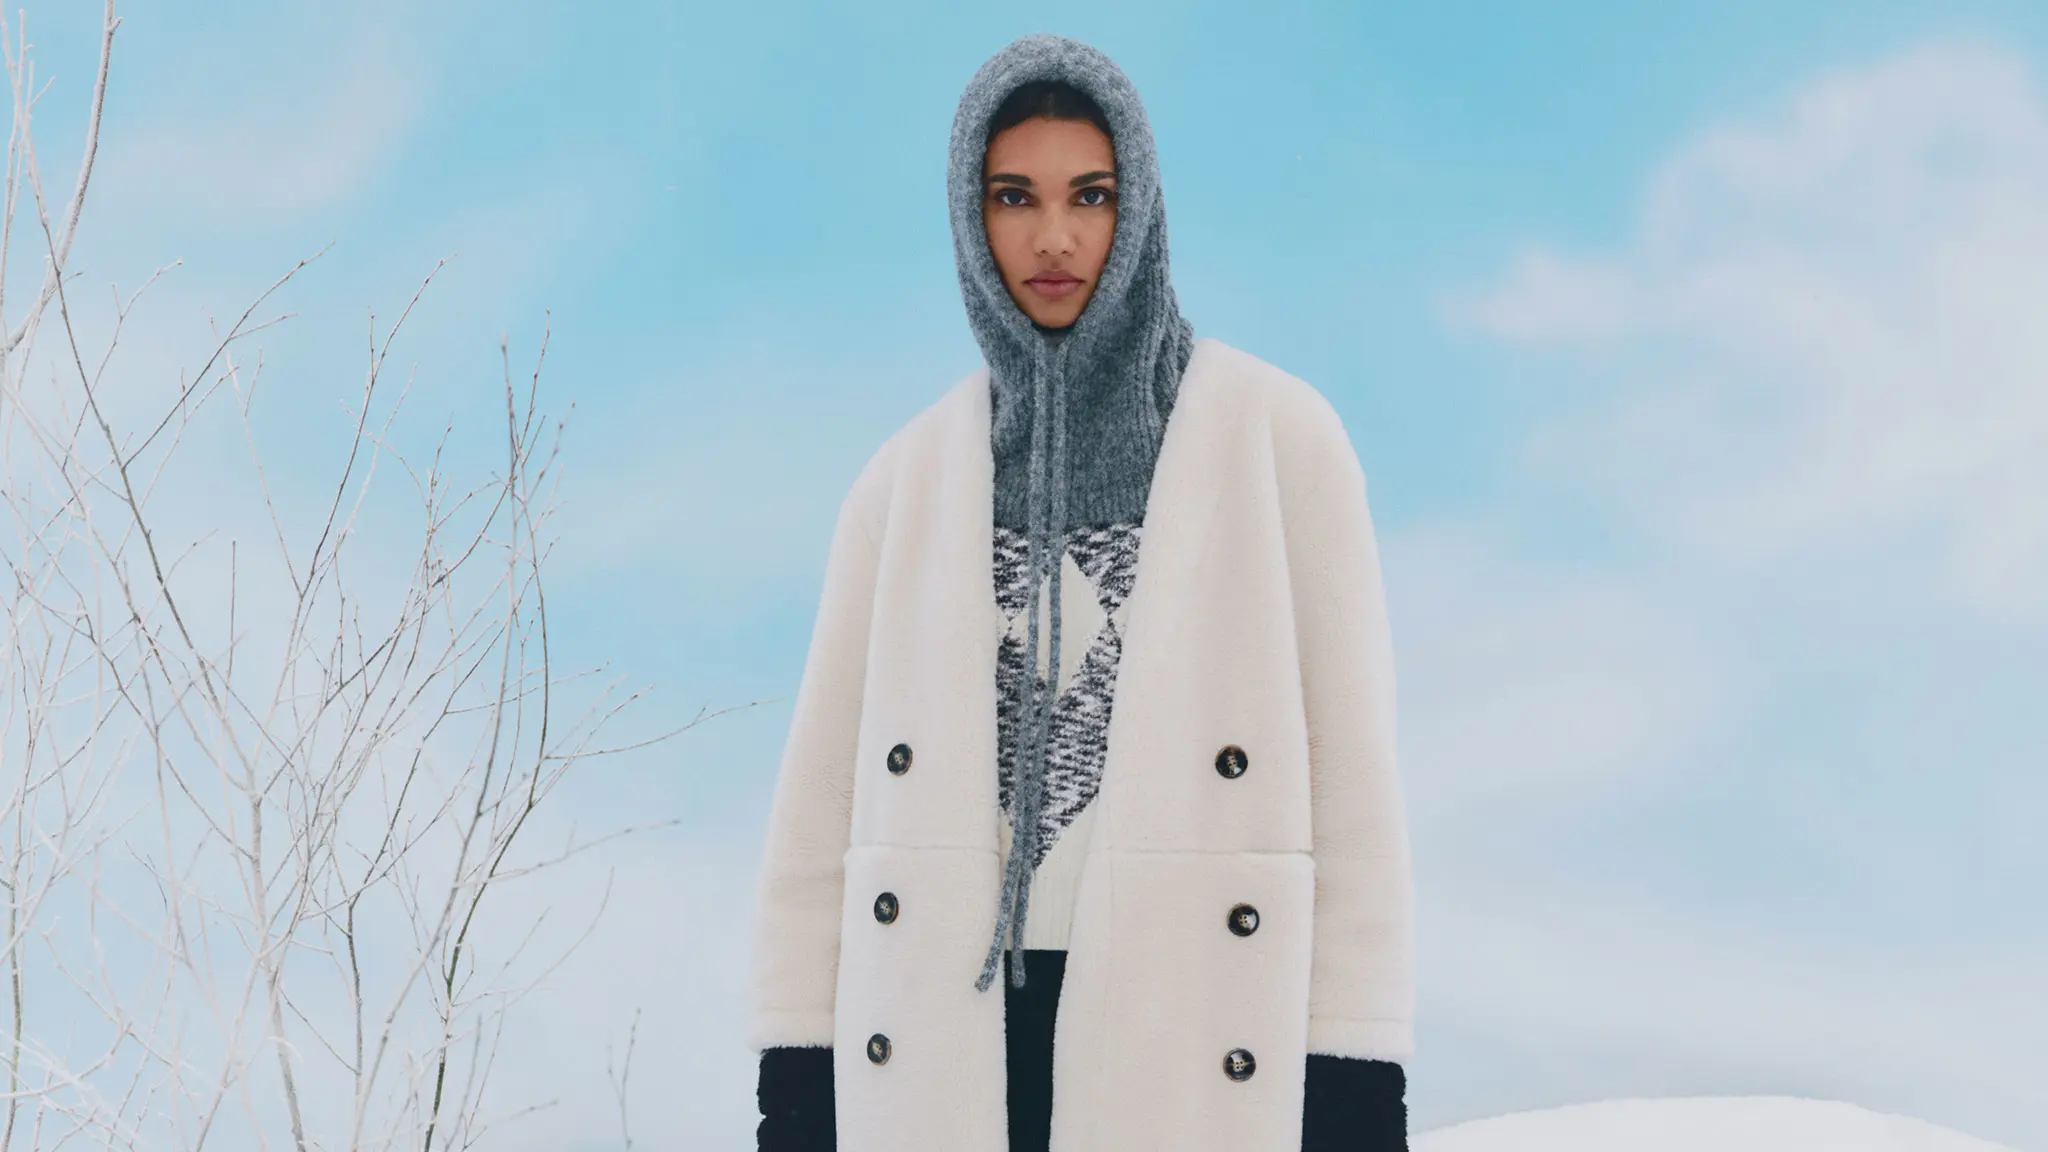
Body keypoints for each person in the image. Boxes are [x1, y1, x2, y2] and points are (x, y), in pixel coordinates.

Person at [749, 33, 1413, 1152]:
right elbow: (817, 824)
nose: (1052, 238)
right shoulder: (901, 482)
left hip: (1196, 1036)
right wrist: (795, 1081)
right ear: (969, 217)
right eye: (1013, 197)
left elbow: (1355, 798)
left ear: (1139, 205)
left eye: (1088, 195)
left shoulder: (1278, 443)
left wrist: (1354, 1077)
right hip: (936, 1057)